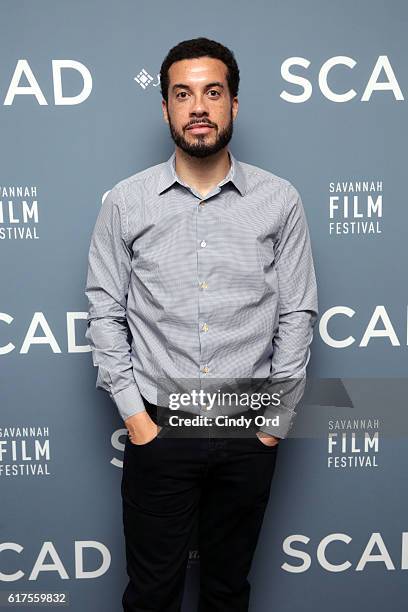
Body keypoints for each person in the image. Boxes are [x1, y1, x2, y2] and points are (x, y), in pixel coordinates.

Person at [85, 36, 318, 612]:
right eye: (182, 94)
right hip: (159, 430)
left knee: (226, 592)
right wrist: (137, 421)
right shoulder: (126, 202)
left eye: (212, 92)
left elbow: (297, 311)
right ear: (164, 107)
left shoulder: (279, 200)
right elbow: (104, 308)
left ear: (233, 103)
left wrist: (273, 424)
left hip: (248, 429)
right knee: (151, 595)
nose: (198, 107)